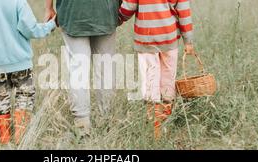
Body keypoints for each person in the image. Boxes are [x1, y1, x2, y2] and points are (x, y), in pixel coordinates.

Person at [0, 0, 56, 144]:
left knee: (1, 102)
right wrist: (51, 25)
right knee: (24, 99)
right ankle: (21, 138)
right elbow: (30, 29)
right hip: (21, 65)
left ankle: (5, 140)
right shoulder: (18, 2)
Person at [119, 0, 195, 140]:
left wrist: (118, 18)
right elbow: (184, 12)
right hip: (169, 37)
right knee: (168, 78)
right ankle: (165, 120)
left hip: (146, 38)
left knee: (150, 79)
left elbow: (128, 8)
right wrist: (188, 41)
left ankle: (154, 125)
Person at [44, 0, 121, 138]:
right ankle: (106, 118)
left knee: (77, 69)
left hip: (72, 12)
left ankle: (82, 124)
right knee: (106, 68)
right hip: (106, 11)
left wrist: (48, 8)